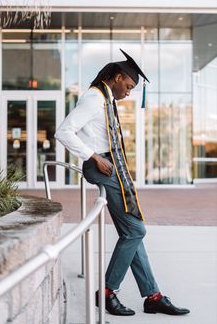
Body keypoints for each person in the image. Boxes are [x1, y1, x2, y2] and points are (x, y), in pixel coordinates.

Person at [55, 49, 190, 317]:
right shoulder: (94, 99)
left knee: (132, 233)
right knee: (136, 230)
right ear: (117, 77)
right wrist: (93, 156)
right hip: (103, 167)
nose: (128, 93)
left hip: (110, 165)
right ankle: (106, 292)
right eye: (128, 86)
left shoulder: (105, 99)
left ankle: (153, 296)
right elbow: (64, 131)